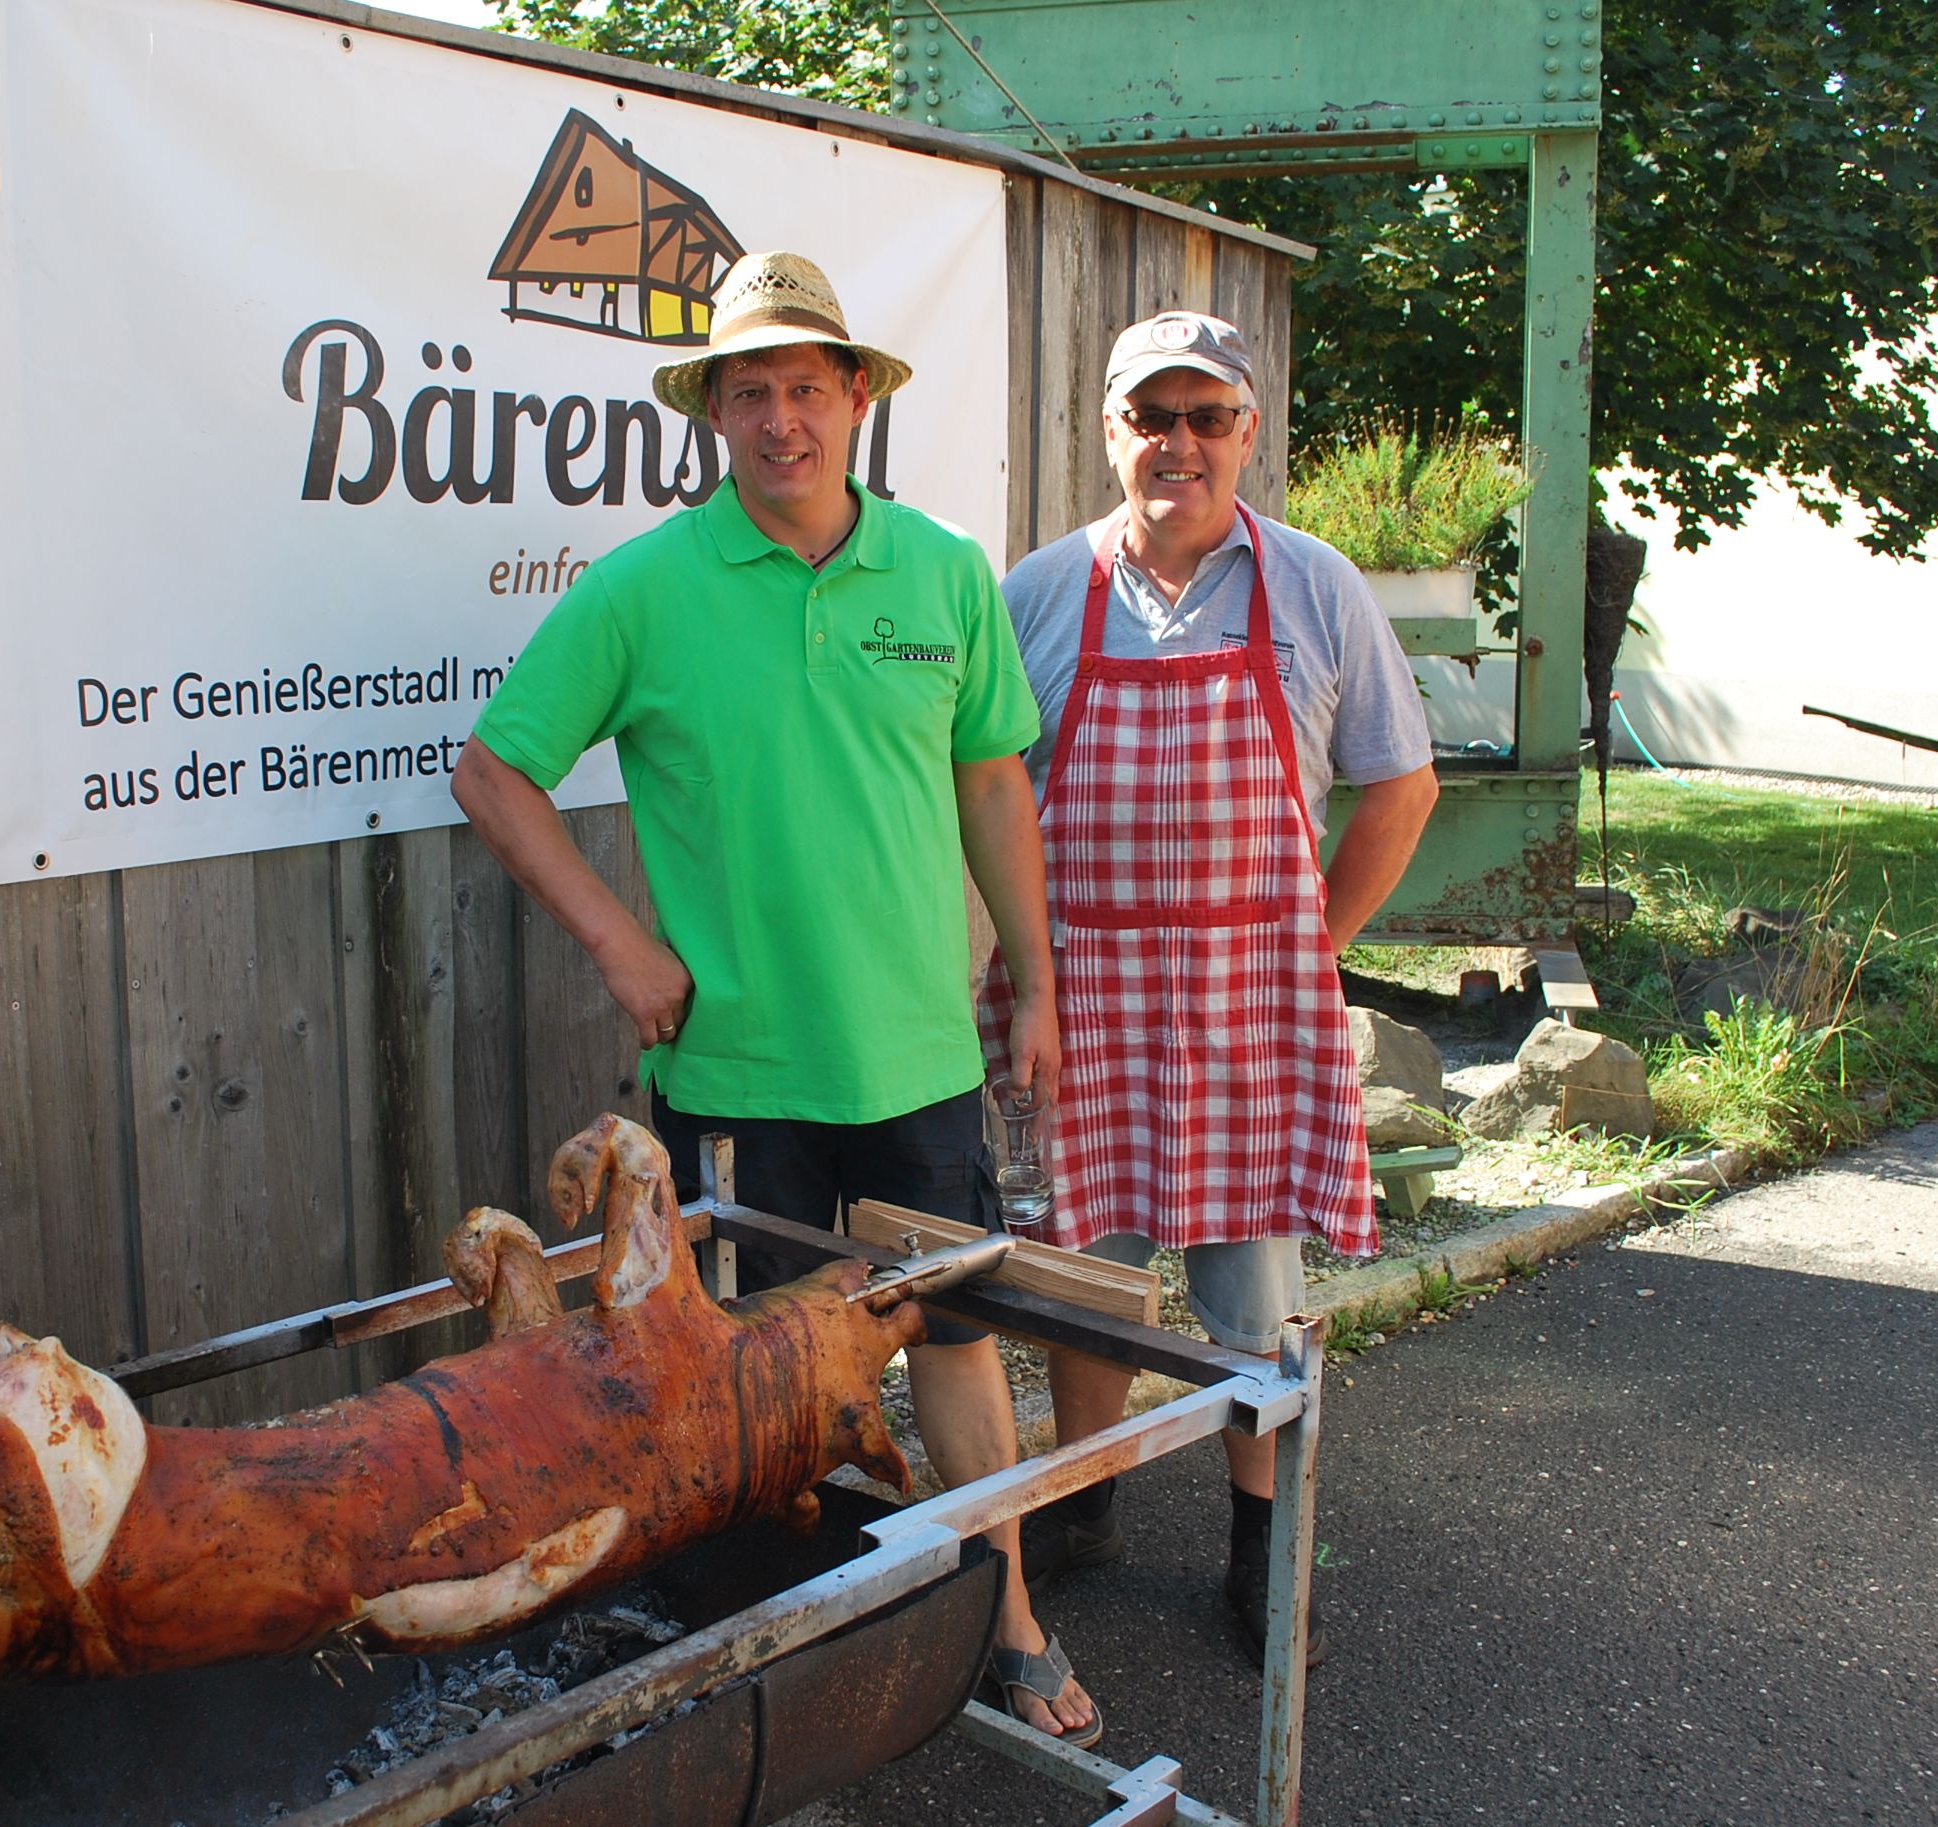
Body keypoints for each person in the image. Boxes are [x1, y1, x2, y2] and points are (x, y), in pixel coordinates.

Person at [451, 251, 1098, 1745]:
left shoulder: (942, 571)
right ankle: (788, 1652)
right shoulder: (643, 591)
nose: (782, 418)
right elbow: (495, 772)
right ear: (714, 412)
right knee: (747, 1381)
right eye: (751, 391)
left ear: (857, 396)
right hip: (735, 1075)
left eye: (807, 385)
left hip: (920, 1061)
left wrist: (1035, 982)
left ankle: (1005, 1616)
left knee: (955, 1342)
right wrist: (620, 945)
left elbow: (993, 784)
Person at [981, 310, 1440, 1661]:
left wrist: (1314, 941)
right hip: (1082, 999)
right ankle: (1084, 1500)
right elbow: (986, 790)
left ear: (1248, 431)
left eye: (1208, 417)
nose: (1178, 443)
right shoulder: (1040, 594)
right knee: (1084, 1269)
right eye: (1152, 417)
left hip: (1255, 1004)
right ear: (1110, 431)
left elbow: (1402, 786)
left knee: (1254, 1291)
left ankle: (1261, 1542)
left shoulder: (1315, 588)